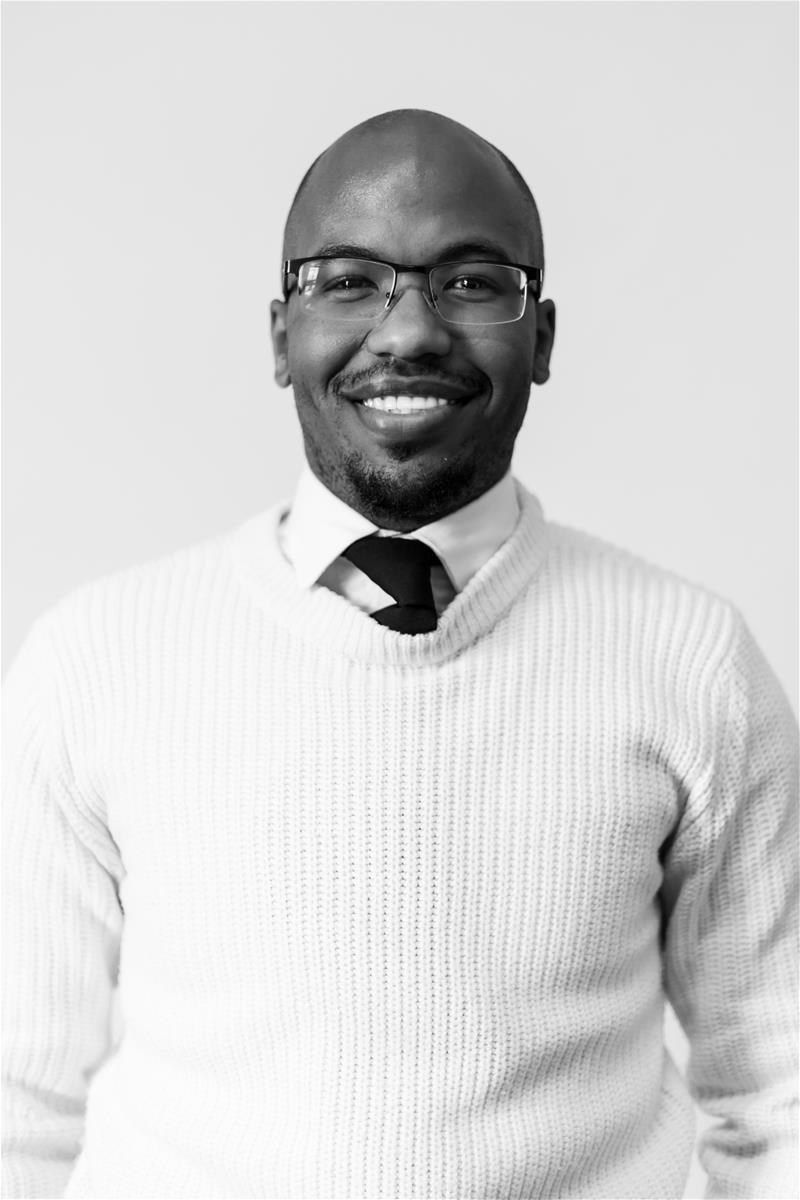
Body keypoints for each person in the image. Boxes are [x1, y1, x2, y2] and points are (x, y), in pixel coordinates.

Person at [2, 108, 797, 1200]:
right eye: (347, 281)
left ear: (542, 338)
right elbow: (18, 1103)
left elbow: (779, 1094)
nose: (410, 331)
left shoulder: (689, 661)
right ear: (280, 335)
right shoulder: (95, 662)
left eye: (471, 282)